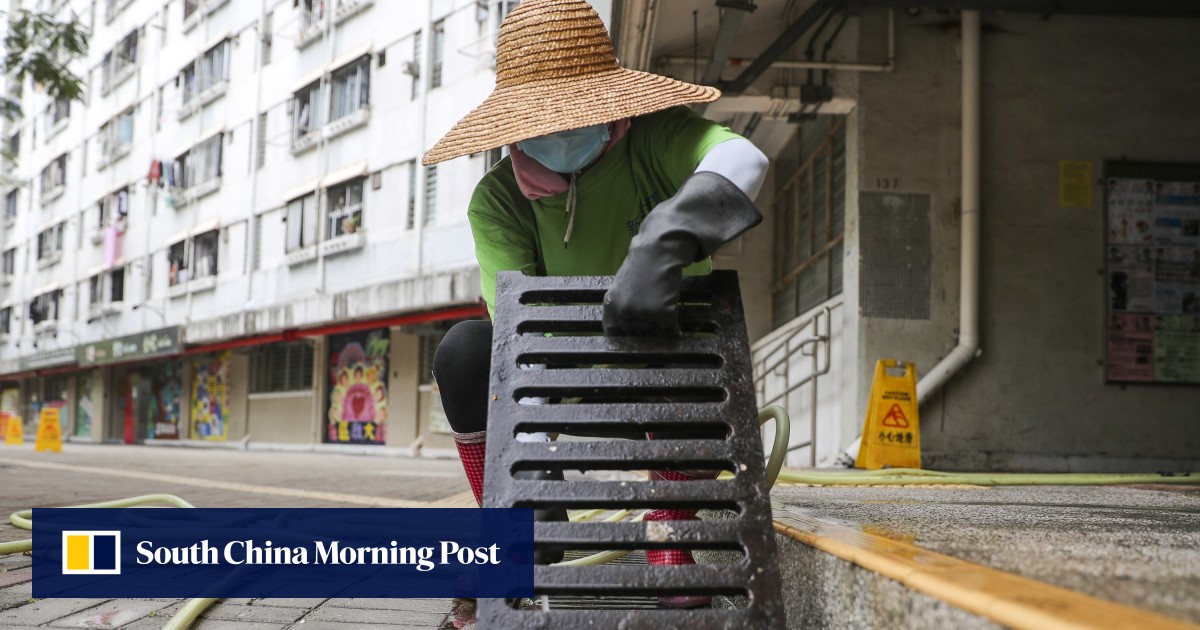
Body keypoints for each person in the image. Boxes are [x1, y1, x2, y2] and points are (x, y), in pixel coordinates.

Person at [422, 0, 768, 619]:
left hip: (667, 370)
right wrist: (526, 468)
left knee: (694, 334)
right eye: (539, 120)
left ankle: (671, 530)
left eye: (572, 114)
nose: (557, 131)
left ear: (606, 106)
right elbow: (516, 336)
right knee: (466, 350)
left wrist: (669, 235)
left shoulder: (659, 138)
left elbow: (745, 159)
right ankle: (506, 529)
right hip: (554, 379)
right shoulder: (497, 199)